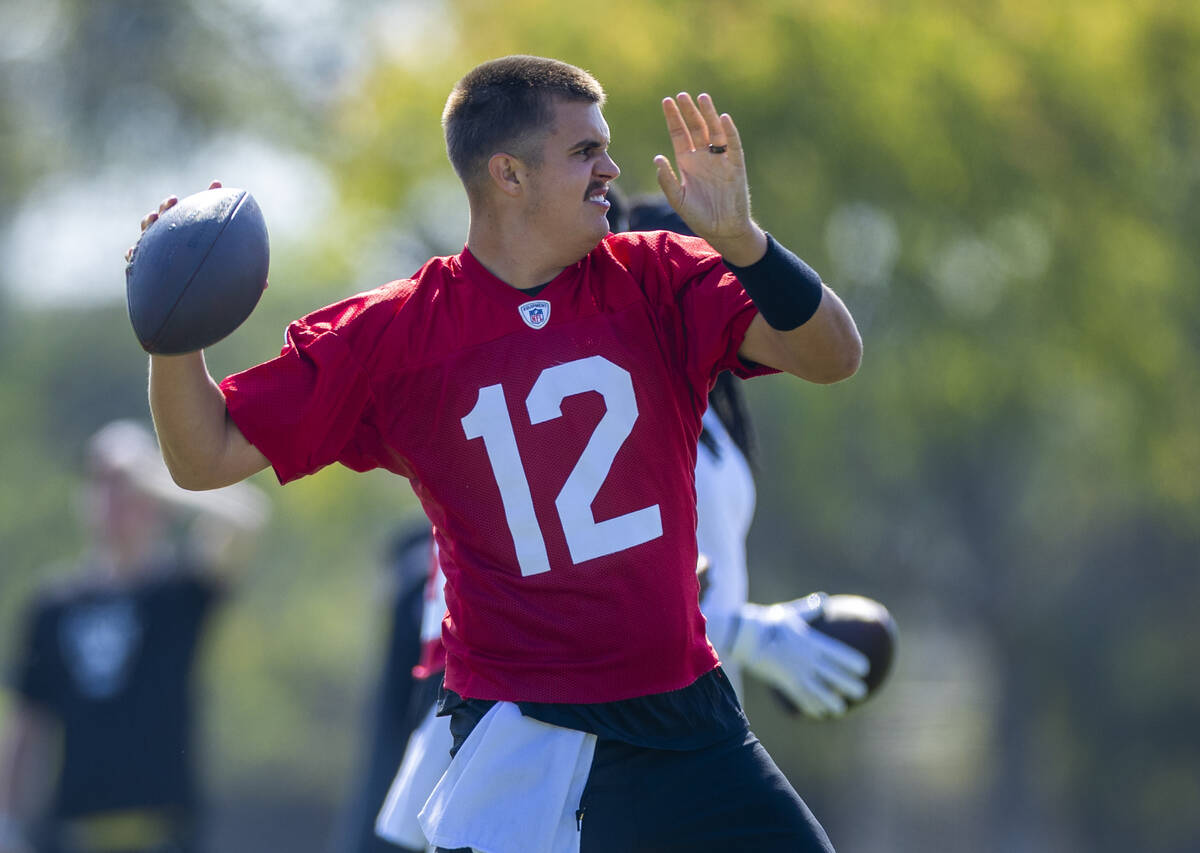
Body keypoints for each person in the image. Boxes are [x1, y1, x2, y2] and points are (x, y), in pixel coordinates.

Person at [131, 55, 862, 851]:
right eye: (585, 151)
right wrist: (173, 334)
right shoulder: (397, 333)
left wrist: (745, 242)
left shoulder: (655, 275)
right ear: (509, 174)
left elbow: (833, 354)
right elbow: (205, 456)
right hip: (523, 734)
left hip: (686, 718)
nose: (612, 170)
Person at [368, 193, 871, 853]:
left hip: (606, 736)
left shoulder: (659, 392)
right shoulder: (608, 393)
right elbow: (578, 595)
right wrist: (753, 633)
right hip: (547, 744)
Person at [0, 420, 268, 853]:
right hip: (71, 833)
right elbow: (27, 724)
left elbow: (250, 519)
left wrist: (162, 478)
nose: (114, 496)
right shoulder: (51, 605)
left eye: (125, 484)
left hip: (166, 832)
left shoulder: (182, 593)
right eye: (101, 481)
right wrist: (7, 824)